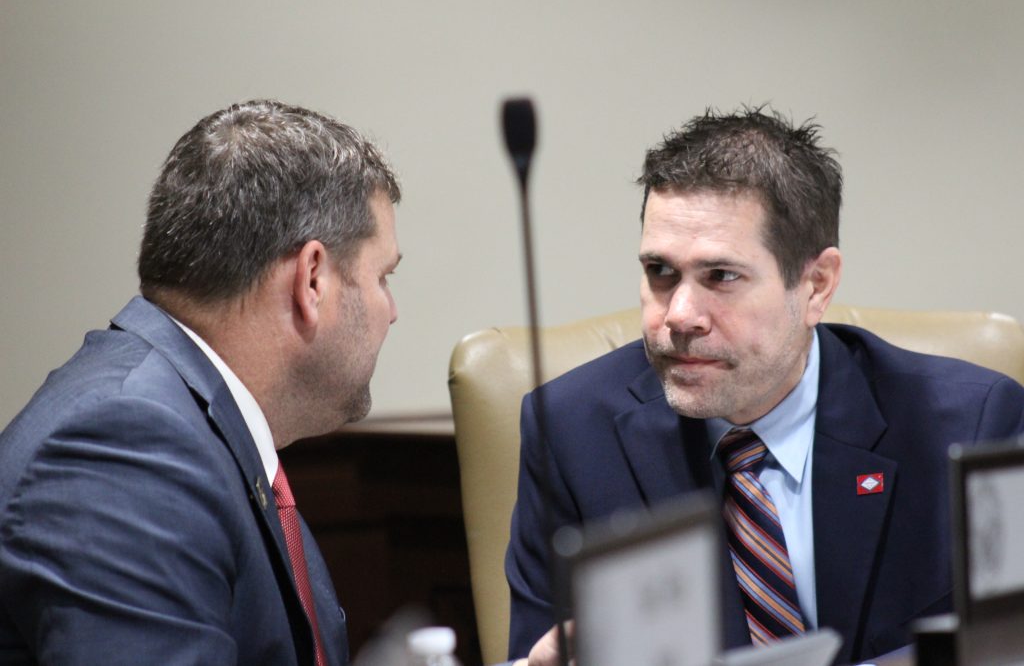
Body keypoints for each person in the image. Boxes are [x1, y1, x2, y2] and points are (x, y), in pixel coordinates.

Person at [506, 107, 1024, 665]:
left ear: (816, 285)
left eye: (721, 277)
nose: (679, 315)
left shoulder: (969, 426)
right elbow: (536, 654)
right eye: (660, 272)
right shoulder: (574, 430)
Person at [0, 100, 402, 665]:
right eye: (384, 276)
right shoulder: (127, 445)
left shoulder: (187, 422)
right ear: (312, 279)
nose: (392, 310)